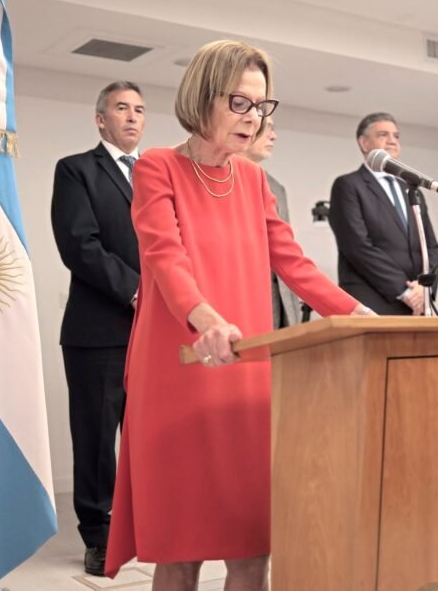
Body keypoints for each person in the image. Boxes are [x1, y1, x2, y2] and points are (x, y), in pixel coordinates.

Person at [104, 40, 371, 591]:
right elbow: (164, 256)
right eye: (241, 103)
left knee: (252, 548)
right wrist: (207, 320)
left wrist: (363, 314)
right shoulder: (157, 166)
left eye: (262, 106)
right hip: (181, 366)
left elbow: (293, 263)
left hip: (245, 372)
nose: (254, 118)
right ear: (204, 97)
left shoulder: (252, 180)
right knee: (180, 551)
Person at [51, 80, 144, 575]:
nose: (132, 117)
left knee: (149, 436)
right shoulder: (76, 170)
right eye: (121, 108)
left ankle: (146, 525)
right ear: (100, 119)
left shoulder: (157, 174)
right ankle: (99, 534)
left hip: (155, 332)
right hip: (99, 331)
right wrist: (138, 291)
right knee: (96, 439)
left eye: (139, 110)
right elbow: (79, 245)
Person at [328, 112, 438, 315]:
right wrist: (405, 292)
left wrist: (424, 288)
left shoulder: (411, 189)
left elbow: (431, 247)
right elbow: (358, 247)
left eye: (396, 136)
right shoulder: (348, 185)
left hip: (418, 305)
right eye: (383, 135)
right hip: (372, 302)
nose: (392, 141)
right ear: (364, 143)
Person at [240, 115, 303, 328]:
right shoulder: (214, 179)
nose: (273, 136)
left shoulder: (276, 188)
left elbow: (287, 253)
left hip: (279, 302)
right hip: (239, 301)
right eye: (267, 128)